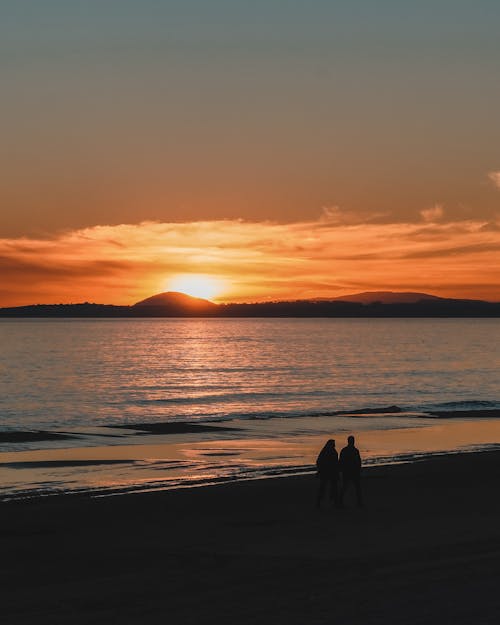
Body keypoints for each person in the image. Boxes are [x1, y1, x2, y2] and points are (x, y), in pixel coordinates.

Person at [339, 435, 363, 507]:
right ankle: (359, 502)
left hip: (349, 471)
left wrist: (341, 469)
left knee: (348, 487)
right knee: (355, 487)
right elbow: (358, 461)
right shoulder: (355, 450)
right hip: (352, 471)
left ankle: (341, 501)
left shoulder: (345, 450)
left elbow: (341, 461)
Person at [315, 439, 339, 508]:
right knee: (328, 487)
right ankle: (320, 502)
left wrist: (319, 470)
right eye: (333, 443)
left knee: (327, 488)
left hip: (327, 472)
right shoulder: (330, 451)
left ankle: (320, 502)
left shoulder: (325, 451)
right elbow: (335, 463)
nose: (335, 445)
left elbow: (319, 461)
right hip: (328, 472)